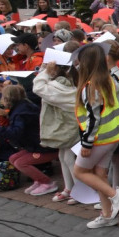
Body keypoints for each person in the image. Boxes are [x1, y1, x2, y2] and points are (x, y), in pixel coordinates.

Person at [73, 44, 119, 228]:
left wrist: (87, 144)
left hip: (100, 138)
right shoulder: (111, 79)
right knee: (100, 174)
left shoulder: (90, 86)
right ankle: (108, 215)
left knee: (80, 171)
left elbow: (93, 118)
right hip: (114, 136)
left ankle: (115, 195)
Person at [30, 49, 80, 200]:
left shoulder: (59, 86)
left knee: (69, 158)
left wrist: (45, 72)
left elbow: (38, 87)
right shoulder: (67, 83)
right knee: (63, 156)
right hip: (66, 125)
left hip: (68, 126)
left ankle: (79, 190)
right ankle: (69, 188)